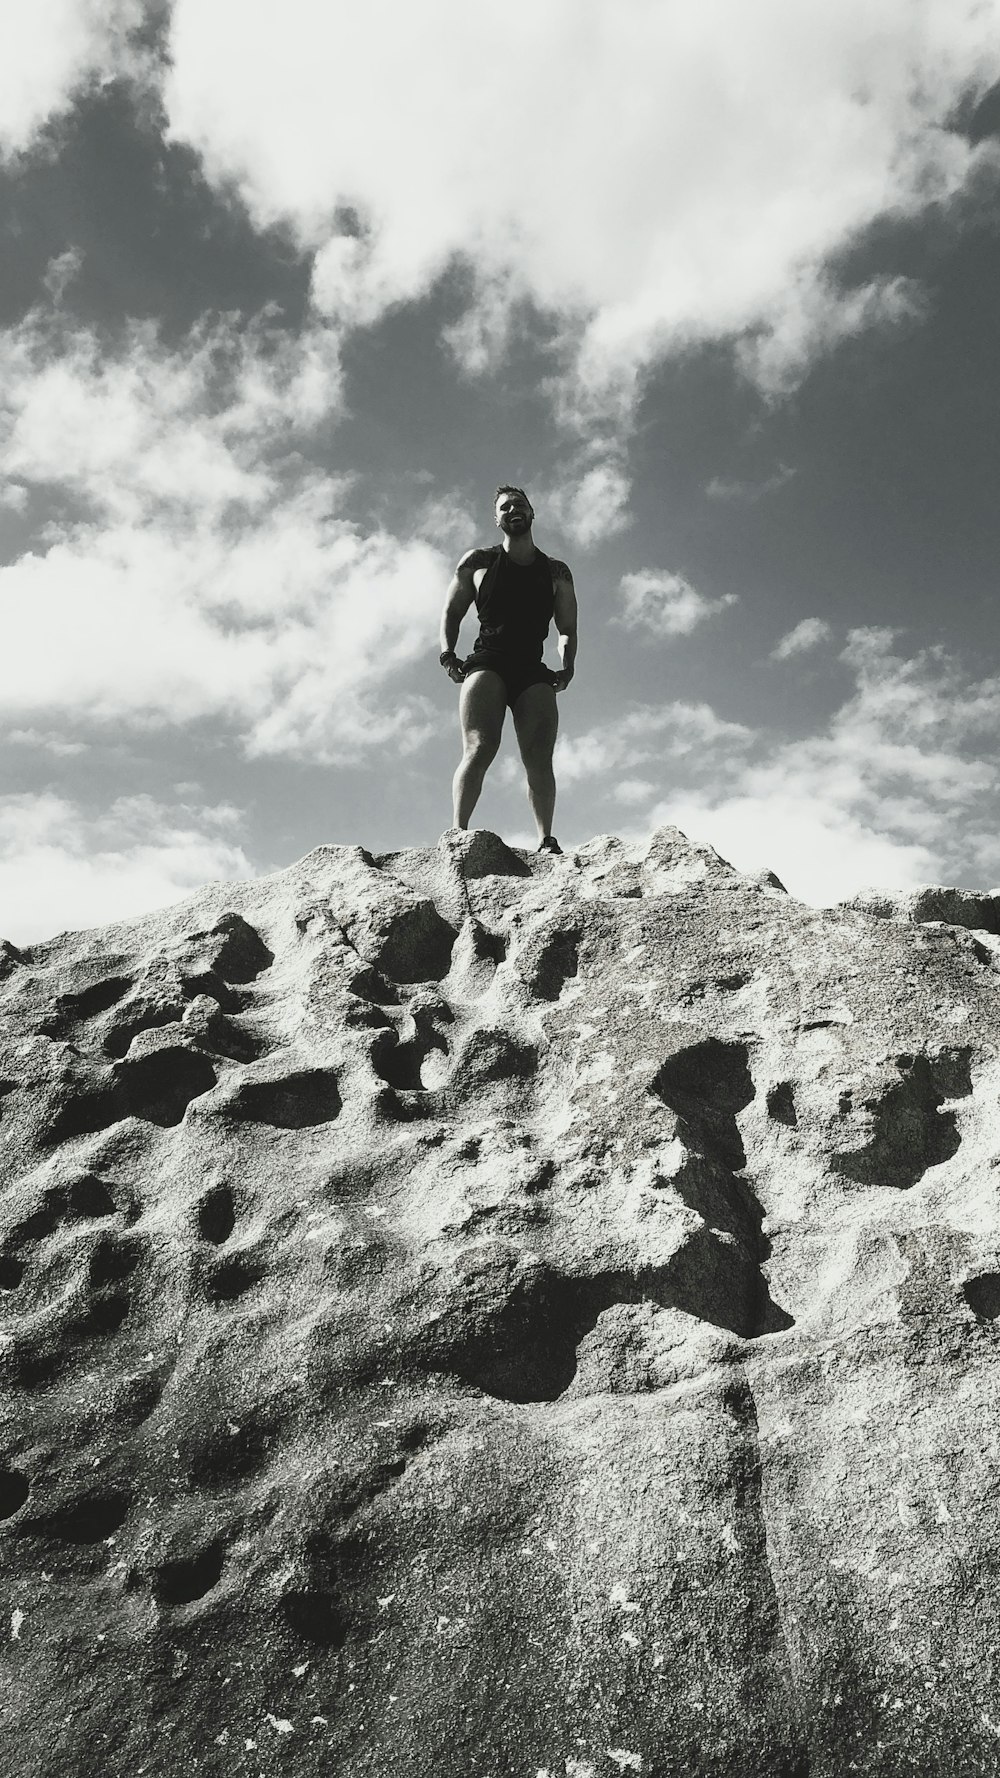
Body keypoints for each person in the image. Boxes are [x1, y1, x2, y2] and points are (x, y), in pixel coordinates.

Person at [439, 485, 578, 854]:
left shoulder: (556, 571)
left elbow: (567, 629)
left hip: (532, 669)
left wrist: (568, 667)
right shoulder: (478, 562)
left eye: (520, 504)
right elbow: (452, 612)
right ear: (496, 519)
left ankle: (546, 840)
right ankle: (458, 834)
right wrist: (447, 654)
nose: (513, 509)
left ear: (532, 514)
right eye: (505, 507)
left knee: (539, 757)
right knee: (480, 746)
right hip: (488, 662)